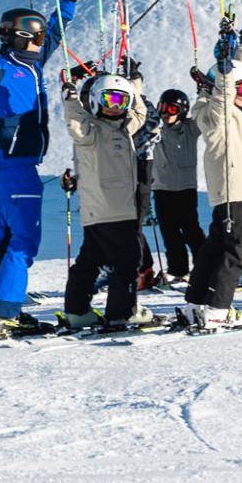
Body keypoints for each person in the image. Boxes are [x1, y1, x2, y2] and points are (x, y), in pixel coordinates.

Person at [0, 0, 87, 340]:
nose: (44, 41)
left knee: (6, 234)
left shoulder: (33, 60)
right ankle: (6, 313)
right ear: (22, 36)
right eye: (38, 36)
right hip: (13, 160)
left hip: (15, 160)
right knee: (25, 240)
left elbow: (57, 28)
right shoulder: (0, 65)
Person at [59, 68, 150, 335]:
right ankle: (121, 313)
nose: (115, 106)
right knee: (128, 260)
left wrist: (134, 85)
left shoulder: (124, 128)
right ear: (97, 100)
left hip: (107, 209)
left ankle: (77, 311)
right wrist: (70, 97)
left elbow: (141, 114)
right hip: (112, 209)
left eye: (122, 100)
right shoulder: (90, 130)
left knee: (91, 259)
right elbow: (75, 121)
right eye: (110, 99)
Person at [187, 22, 242, 331]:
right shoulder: (219, 115)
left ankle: (196, 304)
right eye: (239, 89)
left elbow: (240, 73)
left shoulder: (240, 113)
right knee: (237, 250)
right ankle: (218, 309)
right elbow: (224, 93)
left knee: (217, 246)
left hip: (238, 190)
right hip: (234, 191)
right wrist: (224, 75)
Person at [143, 85, 199, 296]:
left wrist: (204, 91)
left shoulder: (190, 128)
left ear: (182, 111)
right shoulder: (156, 128)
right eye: (162, 108)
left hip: (185, 188)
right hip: (163, 188)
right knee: (169, 232)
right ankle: (178, 269)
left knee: (191, 230)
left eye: (172, 109)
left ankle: (203, 264)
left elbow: (205, 116)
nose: (166, 113)